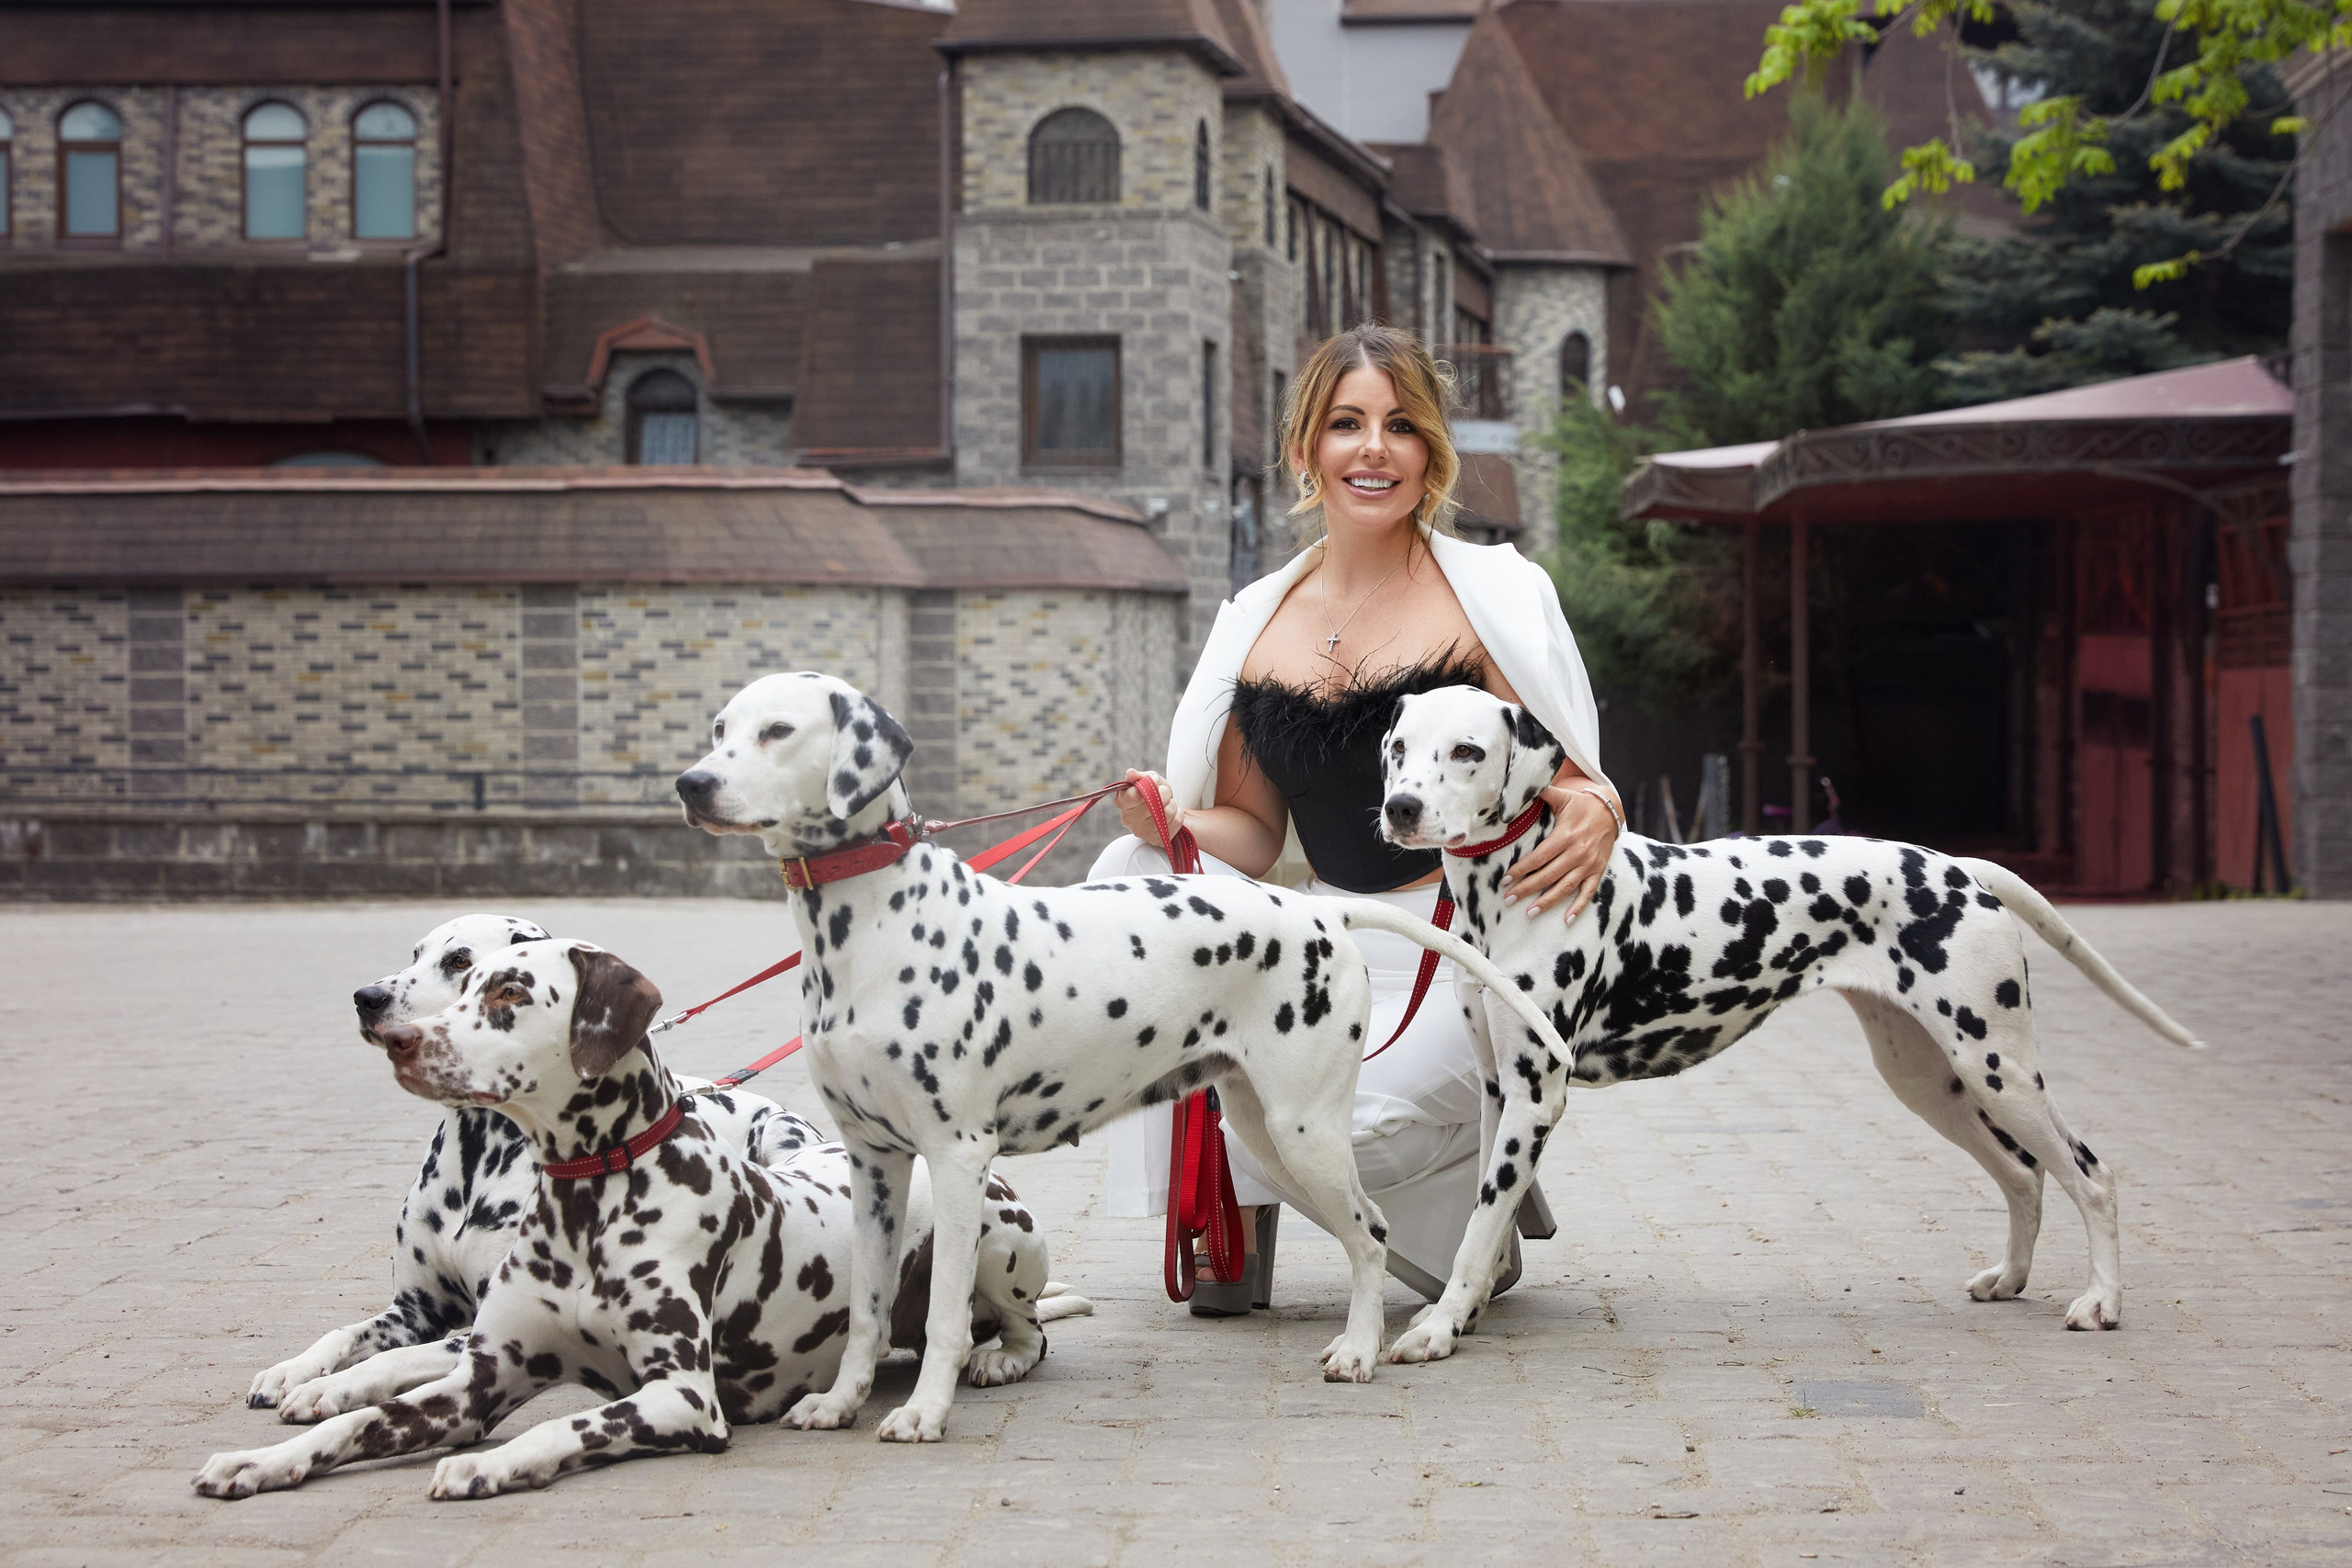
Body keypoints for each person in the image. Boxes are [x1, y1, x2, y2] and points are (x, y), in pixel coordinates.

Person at [1091, 324, 1624, 1313]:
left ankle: (1476, 1213)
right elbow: (1252, 835)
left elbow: (1566, 774)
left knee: (1353, 1135)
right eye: (1347, 425)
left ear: (1431, 453)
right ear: (1306, 448)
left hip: (1461, 949)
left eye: (1400, 426)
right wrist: (1167, 817)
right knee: (1134, 870)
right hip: (1318, 946)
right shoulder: (1254, 619)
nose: (1373, 449)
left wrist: (1601, 802)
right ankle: (1227, 1210)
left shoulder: (1492, 596)